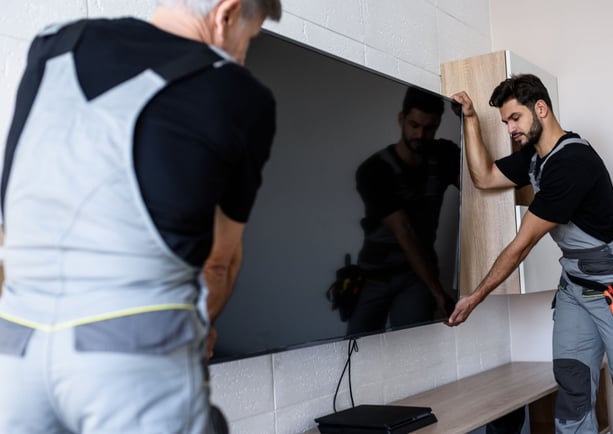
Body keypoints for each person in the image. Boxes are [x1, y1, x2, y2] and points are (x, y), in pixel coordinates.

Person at [0, 0, 281, 432]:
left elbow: (11, 218)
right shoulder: (238, 92)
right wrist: (196, 338)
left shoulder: (52, 45)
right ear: (226, 14)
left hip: (15, 349)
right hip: (130, 357)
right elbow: (218, 263)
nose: (244, 55)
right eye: (252, 37)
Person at [448, 75, 613, 434]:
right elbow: (483, 177)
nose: (511, 128)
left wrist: (476, 297)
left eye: (515, 118)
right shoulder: (535, 157)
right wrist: (469, 118)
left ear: (540, 108)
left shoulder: (572, 161)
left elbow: (522, 244)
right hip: (574, 286)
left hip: (612, 287)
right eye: (505, 122)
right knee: (573, 391)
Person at [346, 86, 459, 335]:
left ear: (439, 123)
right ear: (401, 119)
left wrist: (466, 119)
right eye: (414, 125)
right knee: (355, 347)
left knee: (415, 344)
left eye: (429, 128)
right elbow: (404, 232)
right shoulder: (374, 170)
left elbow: (480, 181)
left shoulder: (444, 156)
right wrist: (438, 292)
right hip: (374, 276)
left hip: (417, 279)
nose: (420, 134)